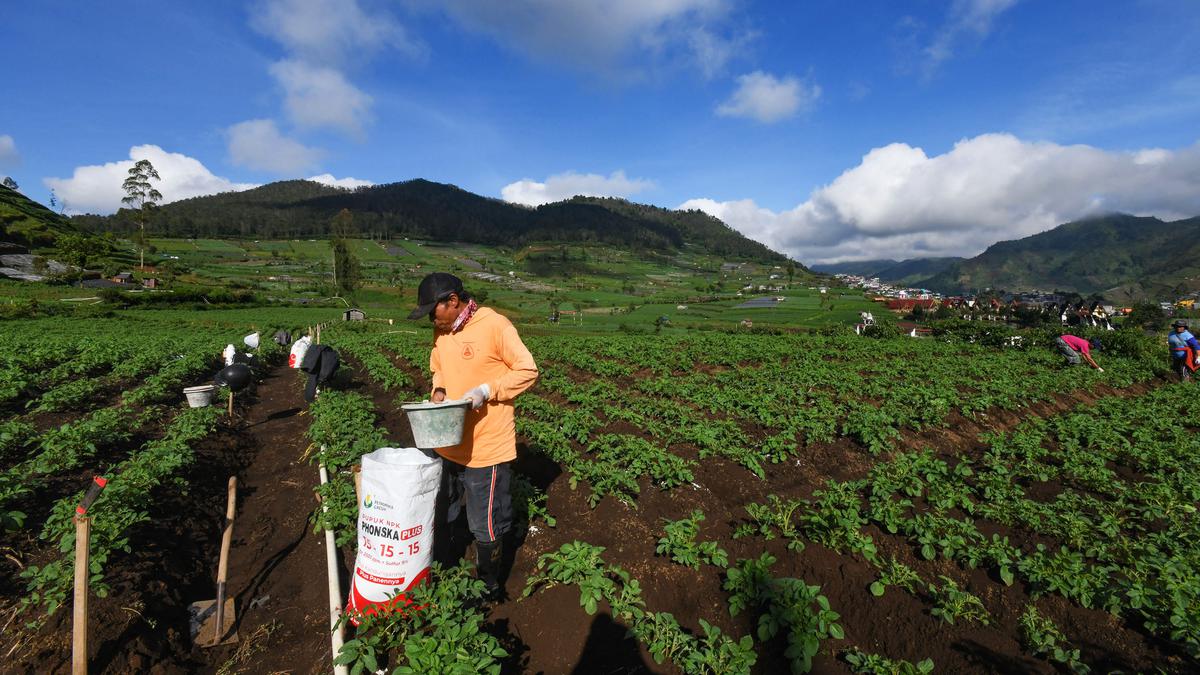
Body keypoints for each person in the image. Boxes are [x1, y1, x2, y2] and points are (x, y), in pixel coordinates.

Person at [407, 272, 538, 598]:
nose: (431, 320)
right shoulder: (443, 331)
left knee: (485, 521)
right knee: (445, 510)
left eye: (433, 311)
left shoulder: (495, 325)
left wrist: (488, 389)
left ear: (452, 301)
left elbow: (527, 370)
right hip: (449, 441)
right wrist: (438, 390)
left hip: (486, 448)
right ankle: (444, 567)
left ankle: (489, 585)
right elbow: (438, 365)